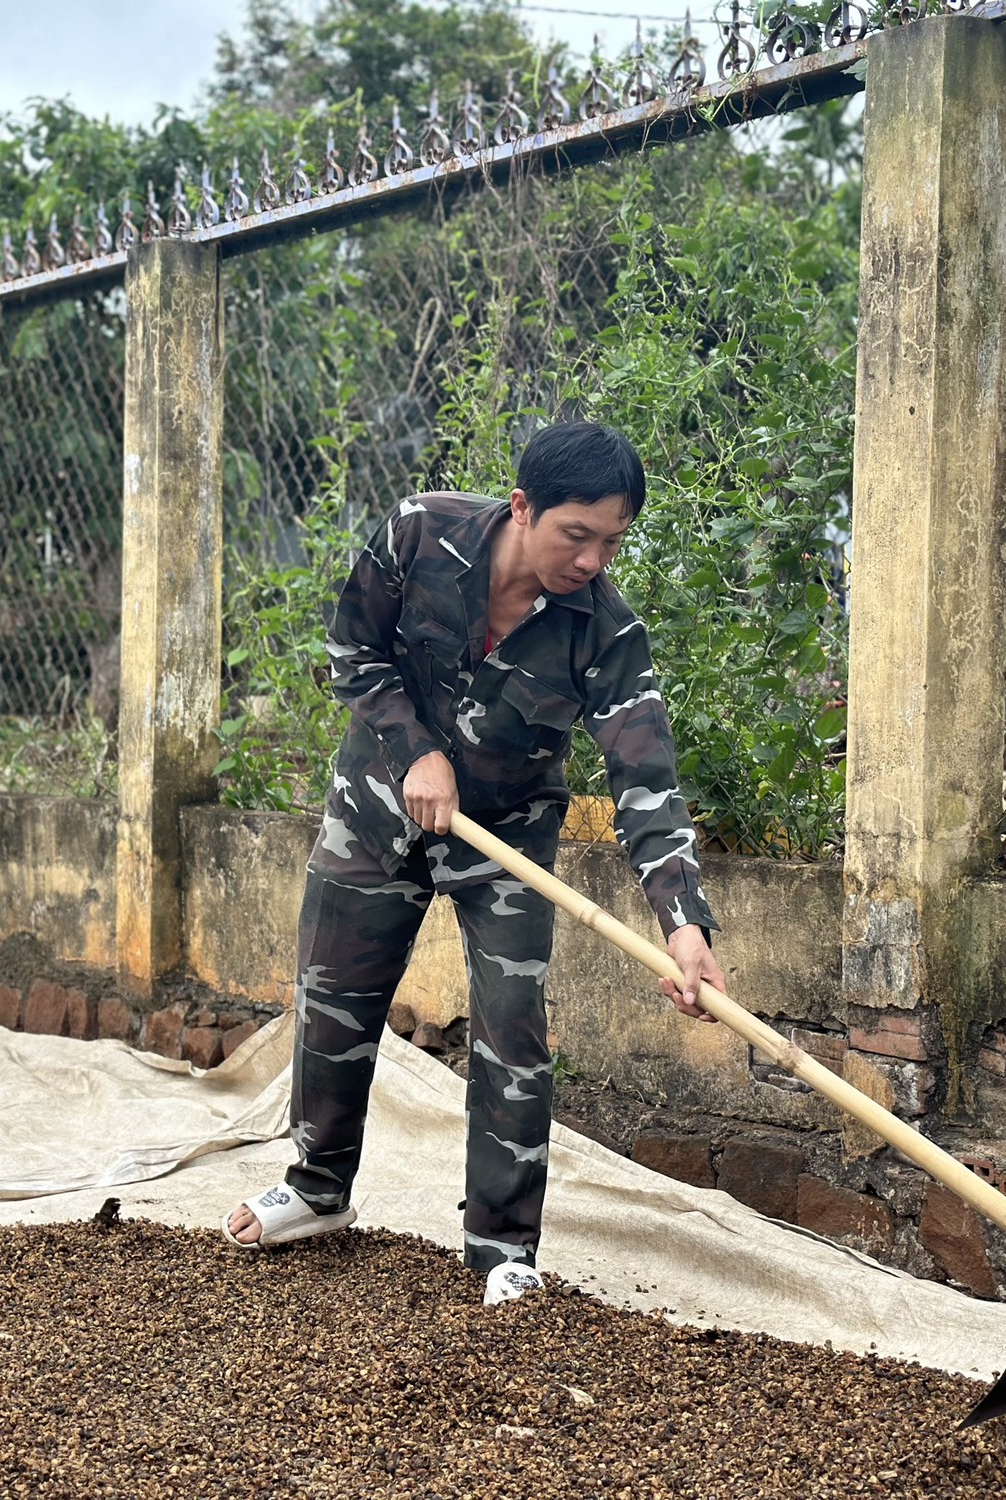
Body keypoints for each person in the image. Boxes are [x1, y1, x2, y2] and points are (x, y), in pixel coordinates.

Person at [224, 421, 724, 1304]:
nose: (593, 560)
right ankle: (317, 1188)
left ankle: (502, 1251)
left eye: (613, 542)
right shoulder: (420, 533)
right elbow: (351, 650)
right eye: (578, 535)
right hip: (377, 808)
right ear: (523, 508)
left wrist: (684, 928)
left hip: (507, 841)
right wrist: (414, 747)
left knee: (512, 1034)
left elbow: (648, 782)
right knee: (333, 1000)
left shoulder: (605, 634)